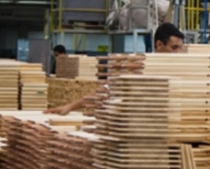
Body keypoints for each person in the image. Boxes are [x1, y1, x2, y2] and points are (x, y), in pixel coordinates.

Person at [44, 23, 185, 115]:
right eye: (174, 48)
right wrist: (69, 107)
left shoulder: (186, 70)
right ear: (159, 45)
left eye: (180, 48)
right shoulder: (139, 68)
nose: (178, 53)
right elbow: (105, 91)